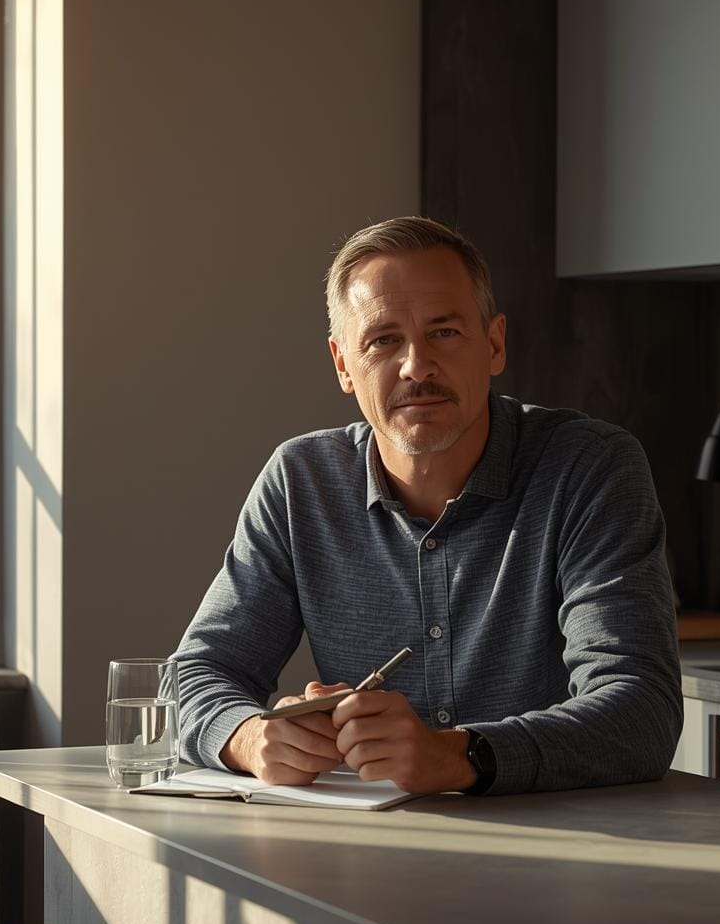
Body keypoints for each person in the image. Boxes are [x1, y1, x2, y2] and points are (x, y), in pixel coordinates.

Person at [174, 216, 682, 796]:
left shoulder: (588, 467)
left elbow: (641, 709)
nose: (416, 366)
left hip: (562, 855)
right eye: (383, 340)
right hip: (364, 856)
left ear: (493, 345)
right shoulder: (301, 482)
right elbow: (197, 673)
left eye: (443, 333)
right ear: (343, 364)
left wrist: (462, 756)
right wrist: (250, 738)